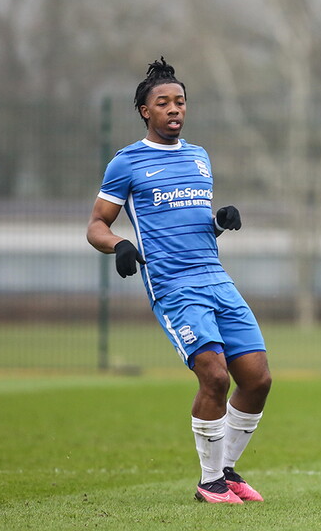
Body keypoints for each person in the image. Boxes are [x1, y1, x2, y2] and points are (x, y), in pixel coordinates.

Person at [86, 57, 272, 504]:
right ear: (145, 111)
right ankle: (208, 482)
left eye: (181, 101)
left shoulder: (199, 156)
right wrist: (121, 246)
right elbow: (96, 225)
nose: (174, 109)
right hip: (173, 285)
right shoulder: (127, 163)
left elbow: (189, 220)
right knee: (214, 375)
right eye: (163, 102)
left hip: (216, 278)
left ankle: (226, 472)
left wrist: (219, 221)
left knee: (258, 379)